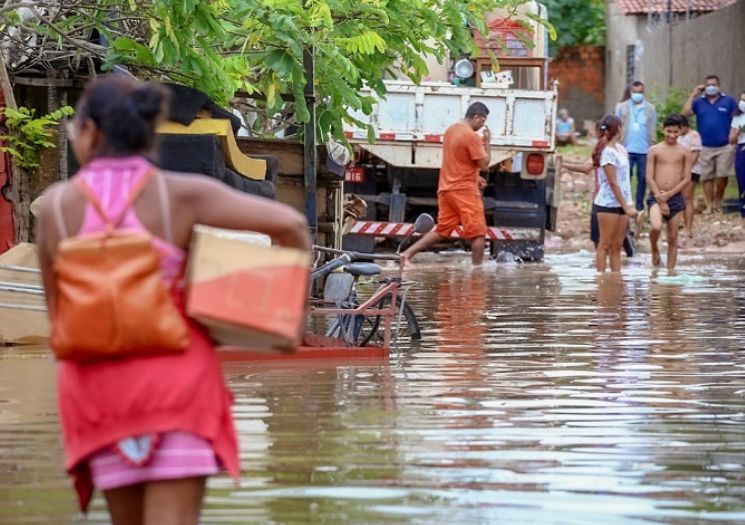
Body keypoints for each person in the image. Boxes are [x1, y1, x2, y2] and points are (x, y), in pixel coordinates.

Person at [36, 76, 311, 525]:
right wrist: (286, 321)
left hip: (97, 393)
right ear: (149, 132)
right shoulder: (179, 194)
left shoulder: (55, 208)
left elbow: (59, 320)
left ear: (88, 132)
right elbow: (291, 227)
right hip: (176, 388)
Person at [403, 102, 490, 265]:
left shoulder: (451, 131)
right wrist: (488, 143)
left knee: (443, 230)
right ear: (476, 117)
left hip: (446, 189)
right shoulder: (472, 136)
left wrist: (476, 177)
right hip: (464, 191)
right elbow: (484, 164)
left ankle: (406, 255)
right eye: (482, 121)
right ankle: (477, 273)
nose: (482, 125)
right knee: (478, 234)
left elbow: (458, 159)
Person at [682, 74, 738, 213]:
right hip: (705, 146)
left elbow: (739, 118)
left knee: (722, 175)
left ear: (719, 86)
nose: (711, 87)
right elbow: (684, 114)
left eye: (714, 84)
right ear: (704, 87)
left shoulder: (729, 101)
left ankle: (718, 201)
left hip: (725, 145)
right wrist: (693, 94)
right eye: (708, 85)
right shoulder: (699, 102)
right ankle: (709, 204)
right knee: (707, 177)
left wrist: (734, 132)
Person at [591, 114, 639, 272]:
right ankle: (601, 280)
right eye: (622, 126)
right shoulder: (607, 153)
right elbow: (613, 182)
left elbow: (625, 180)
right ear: (618, 129)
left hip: (623, 203)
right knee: (605, 244)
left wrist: (628, 203)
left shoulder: (620, 150)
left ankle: (615, 280)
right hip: (608, 203)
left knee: (617, 247)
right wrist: (626, 206)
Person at [645, 114, 692, 270]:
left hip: (675, 197)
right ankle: (654, 247)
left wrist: (669, 195)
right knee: (656, 226)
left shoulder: (685, 151)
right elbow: (649, 177)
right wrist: (661, 198)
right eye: (669, 131)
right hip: (656, 196)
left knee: (673, 237)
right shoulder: (654, 150)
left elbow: (686, 178)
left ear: (681, 131)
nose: (672, 135)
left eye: (675, 132)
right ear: (663, 130)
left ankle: (670, 272)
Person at [616, 81, 657, 211]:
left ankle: (639, 204)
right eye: (634, 92)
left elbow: (653, 128)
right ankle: (625, 202)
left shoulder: (650, 108)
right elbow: (616, 126)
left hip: (644, 149)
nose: (637, 95)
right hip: (625, 148)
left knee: (643, 177)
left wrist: (653, 145)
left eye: (640, 92)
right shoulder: (621, 107)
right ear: (630, 92)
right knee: (625, 176)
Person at [677, 115, 703, 237]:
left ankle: (689, 228)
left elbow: (695, 155)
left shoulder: (694, 135)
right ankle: (681, 222)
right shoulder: (678, 136)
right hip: (678, 171)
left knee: (687, 198)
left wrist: (686, 170)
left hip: (691, 171)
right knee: (680, 198)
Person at [729, 90, 745, 221]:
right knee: (743, 182)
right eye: (742, 100)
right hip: (742, 149)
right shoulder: (737, 117)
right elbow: (731, 139)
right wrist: (738, 132)